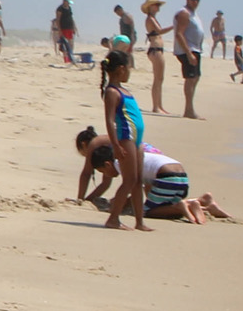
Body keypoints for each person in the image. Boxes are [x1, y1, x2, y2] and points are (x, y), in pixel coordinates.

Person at [98, 50, 149, 232]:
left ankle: (140, 221)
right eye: (129, 68)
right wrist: (116, 145)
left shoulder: (123, 90)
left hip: (136, 139)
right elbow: (110, 121)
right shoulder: (112, 92)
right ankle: (113, 219)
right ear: (121, 69)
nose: (130, 71)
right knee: (129, 180)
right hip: (125, 138)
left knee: (137, 181)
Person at [134, 141, 230, 224]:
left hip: (166, 178)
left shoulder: (127, 157)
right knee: (164, 205)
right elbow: (149, 184)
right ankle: (204, 203)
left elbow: (133, 185)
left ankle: (179, 206)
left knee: (147, 211)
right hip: (181, 177)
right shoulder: (147, 148)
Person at [174, 0, 207, 120]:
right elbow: (179, 34)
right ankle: (188, 110)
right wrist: (188, 53)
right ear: (187, 0)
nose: (195, 2)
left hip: (196, 49)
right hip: (188, 50)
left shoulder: (194, 14)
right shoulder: (184, 13)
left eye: (197, 0)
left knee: (196, 77)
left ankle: (190, 108)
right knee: (190, 78)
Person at [73, 127, 118, 207]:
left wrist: (80, 199)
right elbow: (106, 183)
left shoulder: (94, 144)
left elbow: (86, 174)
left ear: (83, 144)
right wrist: (88, 200)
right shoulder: (104, 149)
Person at [141, 0, 170, 114]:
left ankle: (159, 105)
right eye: (156, 5)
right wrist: (174, 26)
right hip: (155, 50)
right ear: (150, 6)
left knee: (160, 78)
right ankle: (156, 106)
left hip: (158, 49)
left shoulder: (153, 19)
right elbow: (160, 31)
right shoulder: (150, 19)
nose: (158, 7)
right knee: (157, 79)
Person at [110, 5, 138, 71]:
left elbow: (132, 27)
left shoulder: (127, 16)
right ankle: (129, 65)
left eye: (117, 13)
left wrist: (132, 38)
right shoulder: (121, 18)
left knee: (128, 52)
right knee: (126, 52)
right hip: (124, 37)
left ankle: (132, 66)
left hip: (130, 37)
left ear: (120, 10)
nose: (117, 14)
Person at [53, 0, 76, 64]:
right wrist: (59, 30)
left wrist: (74, 28)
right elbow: (58, 19)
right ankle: (66, 59)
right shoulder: (60, 9)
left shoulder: (69, 8)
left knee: (71, 44)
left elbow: (71, 18)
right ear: (64, 1)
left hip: (70, 28)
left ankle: (71, 58)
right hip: (64, 28)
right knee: (65, 45)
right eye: (68, 2)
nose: (69, 4)